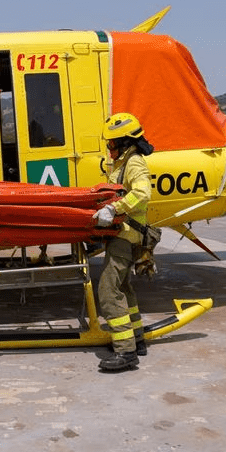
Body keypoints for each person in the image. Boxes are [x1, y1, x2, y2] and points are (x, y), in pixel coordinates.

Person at [92, 112, 154, 372]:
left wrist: (114, 210)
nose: (109, 149)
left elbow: (142, 193)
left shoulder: (134, 163)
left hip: (126, 235)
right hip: (126, 235)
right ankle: (137, 339)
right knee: (124, 288)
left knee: (108, 291)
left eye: (111, 144)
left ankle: (126, 352)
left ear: (125, 142)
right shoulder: (123, 163)